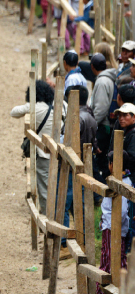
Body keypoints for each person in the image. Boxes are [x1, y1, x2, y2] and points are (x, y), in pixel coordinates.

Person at [11, 80, 65, 215]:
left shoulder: (35, 107)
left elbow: (14, 112)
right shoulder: (61, 104)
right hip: (62, 151)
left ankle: (48, 218)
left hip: (44, 153)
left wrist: (30, 104)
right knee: (61, 185)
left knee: (45, 188)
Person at [60, 85, 97, 249]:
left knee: (64, 202)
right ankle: (81, 238)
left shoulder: (76, 118)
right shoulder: (90, 115)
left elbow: (66, 141)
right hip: (85, 164)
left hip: (72, 165)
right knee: (81, 202)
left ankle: (64, 241)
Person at [96, 148, 130, 294]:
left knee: (112, 259)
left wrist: (111, 225)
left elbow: (121, 211)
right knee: (109, 258)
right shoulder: (119, 180)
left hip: (113, 228)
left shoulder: (123, 183)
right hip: (110, 226)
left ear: (111, 165)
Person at [91, 53, 119, 184]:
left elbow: (101, 108)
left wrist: (92, 124)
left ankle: (102, 189)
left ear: (92, 67)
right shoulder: (110, 78)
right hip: (107, 124)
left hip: (104, 126)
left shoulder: (102, 81)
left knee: (100, 159)